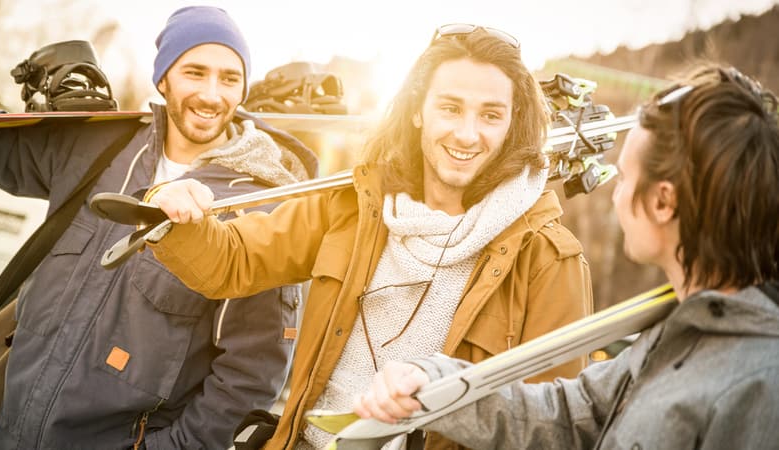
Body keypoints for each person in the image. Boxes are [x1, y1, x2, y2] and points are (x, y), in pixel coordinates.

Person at [147, 25, 593, 449]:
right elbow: (234, 260)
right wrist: (178, 211)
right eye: (450, 108)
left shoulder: (549, 258)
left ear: (512, 123)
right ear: (418, 109)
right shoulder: (356, 204)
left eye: (490, 115)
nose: (467, 134)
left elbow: (552, 427)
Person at [0, 6, 318, 449]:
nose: (212, 95)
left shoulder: (260, 207)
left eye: (229, 78)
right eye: (195, 72)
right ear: (163, 78)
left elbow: (249, 379)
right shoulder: (99, 151)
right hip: (12, 434)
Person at [353, 63, 779, 450]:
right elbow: (569, 414)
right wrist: (436, 383)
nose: (616, 193)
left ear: (663, 202)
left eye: (626, 177)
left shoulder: (758, 384)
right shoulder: (679, 331)